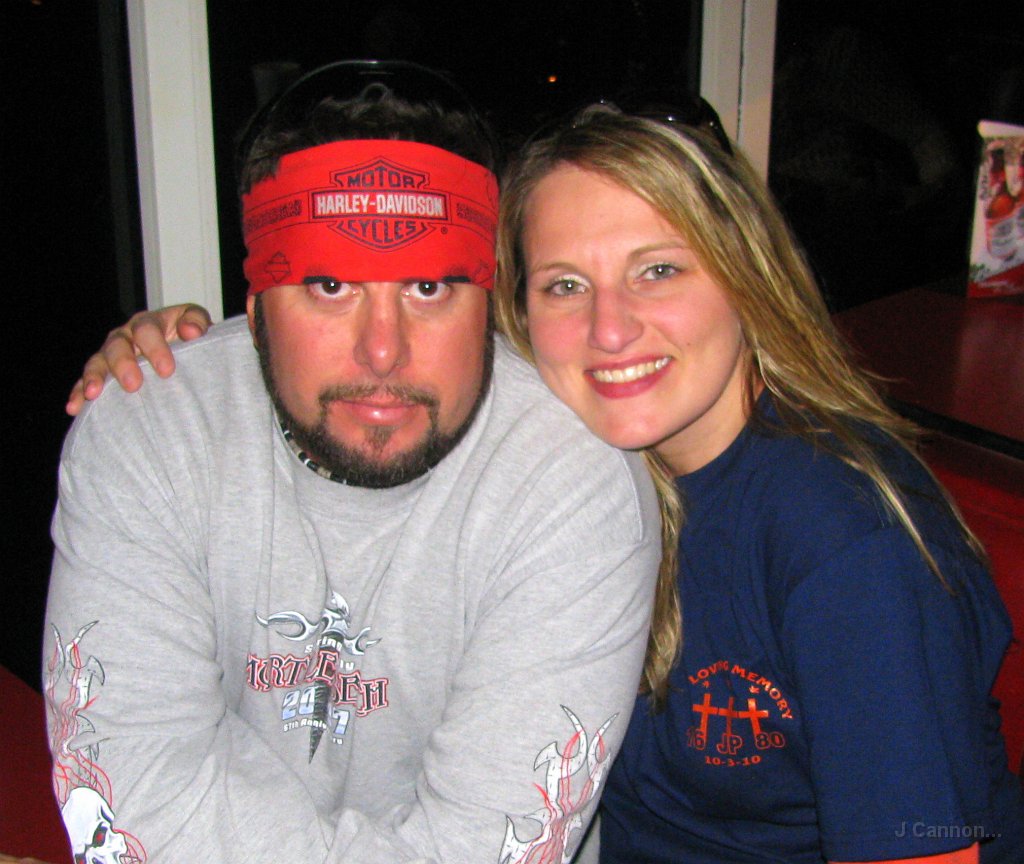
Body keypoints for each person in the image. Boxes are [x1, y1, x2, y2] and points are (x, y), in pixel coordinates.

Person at [86, 100, 1024, 863]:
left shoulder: (845, 540)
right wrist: (199, 362)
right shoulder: (590, 464)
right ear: (519, 314)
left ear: (748, 274)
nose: (610, 330)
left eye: (659, 271)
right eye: (566, 286)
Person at [44, 64, 666, 864]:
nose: (382, 351)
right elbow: (131, 803)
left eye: (429, 286)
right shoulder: (149, 433)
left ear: (489, 298)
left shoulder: (570, 482)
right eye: (331, 284)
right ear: (256, 305)